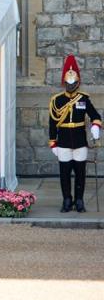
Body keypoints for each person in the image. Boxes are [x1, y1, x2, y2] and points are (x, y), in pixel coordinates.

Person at [49, 54, 101, 213]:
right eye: (68, 83)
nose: (71, 86)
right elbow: (52, 122)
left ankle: (79, 200)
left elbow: (95, 115)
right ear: (64, 83)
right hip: (63, 141)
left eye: (74, 83)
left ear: (78, 82)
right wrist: (53, 142)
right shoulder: (57, 100)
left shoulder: (83, 98)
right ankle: (67, 200)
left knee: (80, 174)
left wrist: (95, 126)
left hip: (79, 141)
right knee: (64, 174)